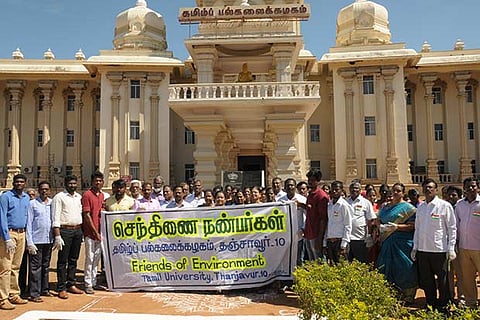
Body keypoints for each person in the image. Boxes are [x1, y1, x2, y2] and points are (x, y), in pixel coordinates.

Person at [411, 178, 456, 312]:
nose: (428, 189)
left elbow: (452, 228)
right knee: (427, 281)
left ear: (436, 190)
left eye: (431, 187)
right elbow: (417, 229)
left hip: (439, 250)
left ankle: (444, 307)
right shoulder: (421, 207)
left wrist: (451, 248)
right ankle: (431, 304)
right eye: (425, 187)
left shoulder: (444, 206)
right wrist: (415, 247)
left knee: (442, 281)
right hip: (423, 250)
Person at [376, 182, 417, 304]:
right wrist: (380, 227)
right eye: (393, 190)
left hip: (402, 244)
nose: (395, 193)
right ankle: (389, 294)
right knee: (386, 267)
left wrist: (397, 227)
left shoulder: (409, 209)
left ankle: (408, 296)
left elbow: (412, 226)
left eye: (398, 191)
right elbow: (378, 219)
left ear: (403, 193)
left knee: (405, 268)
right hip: (387, 243)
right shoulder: (385, 207)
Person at [0, 174, 30, 309]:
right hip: (9, 234)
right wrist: (6, 238)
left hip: (22, 233)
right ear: (13, 182)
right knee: (5, 267)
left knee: (16, 266)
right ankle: (3, 298)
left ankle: (13, 294)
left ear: (25, 183)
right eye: (17, 181)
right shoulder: (6, 197)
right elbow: (2, 217)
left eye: (22, 182)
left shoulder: (26, 198)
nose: (19, 184)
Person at [52, 175, 84, 299]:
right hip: (65, 231)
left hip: (77, 230)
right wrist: (57, 235)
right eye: (70, 183)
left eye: (74, 183)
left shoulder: (78, 197)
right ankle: (61, 287)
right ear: (65, 184)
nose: (72, 185)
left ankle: (71, 283)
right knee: (62, 261)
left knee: (73, 260)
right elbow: (55, 216)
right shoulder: (59, 197)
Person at [26, 181, 53, 303]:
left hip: (49, 239)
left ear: (49, 190)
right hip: (36, 240)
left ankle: (44, 289)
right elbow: (29, 224)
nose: (44, 191)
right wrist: (29, 242)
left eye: (46, 189)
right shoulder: (32, 204)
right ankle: (34, 293)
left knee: (45, 266)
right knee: (35, 267)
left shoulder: (52, 203)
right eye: (42, 189)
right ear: (38, 190)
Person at [455, 177, 480, 308]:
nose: (470, 189)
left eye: (473, 186)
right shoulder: (460, 205)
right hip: (464, 247)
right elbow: (457, 225)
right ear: (464, 188)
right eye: (468, 186)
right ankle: (471, 304)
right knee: (467, 278)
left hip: (479, 247)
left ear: (478, 188)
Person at [81, 172, 105, 295]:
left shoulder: (102, 196)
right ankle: (88, 282)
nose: (98, 183)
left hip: (101, 233)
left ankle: (94, 280)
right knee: (89, 258)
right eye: (96, 181)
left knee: (96, 258)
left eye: (100, 181)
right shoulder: (87, 195)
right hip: (91, 233)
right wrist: (95, 232)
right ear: (92, 181)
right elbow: (87, 215)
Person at [278, 178, 307, 266]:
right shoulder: (279, 200)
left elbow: (307, 215)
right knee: (286, 259)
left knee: (299, 259)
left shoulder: (302, 199)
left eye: (292, 185)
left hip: (298, 234)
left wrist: (303, 229)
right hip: (285, 235)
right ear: (284, 188)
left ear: (295, 187)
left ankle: (299, 278)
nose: (290, 187)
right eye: (288, 185)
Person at [346, 181, 376, 263]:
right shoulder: (345, 202)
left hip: (360, 238)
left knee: (360, 262)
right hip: (346, 238)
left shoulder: (366, 203)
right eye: (352, 188)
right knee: (347, 263)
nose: (354, 190)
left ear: (360, 190)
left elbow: (371, 220)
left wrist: (369, 235)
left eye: (356, 188)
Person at [324, 181, 353, 265]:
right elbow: (328, 224)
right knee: (331, 267)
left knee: (342, 266)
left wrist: (344, 244)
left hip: (340, 241)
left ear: (341, 190)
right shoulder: (329, 205)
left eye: (337, 190)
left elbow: (348, 225)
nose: (334, 192)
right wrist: (325, 243)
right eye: (332, 189)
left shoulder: (344, 205)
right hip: (330, 241)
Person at [304, 169, 329, 261]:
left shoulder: (321, 196)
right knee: (312, 261)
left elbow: (323, 219)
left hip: (316, 234)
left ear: (318, 181)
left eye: (313, 179)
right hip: (308, 233)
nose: (310, 181)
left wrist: (320, 238)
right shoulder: (310, 194)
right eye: (309, 179)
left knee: (318, 260)